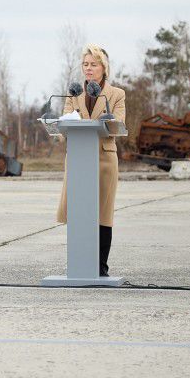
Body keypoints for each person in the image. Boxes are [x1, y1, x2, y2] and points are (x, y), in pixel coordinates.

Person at [56, 44, 126, 277]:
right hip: (78, 160)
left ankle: (100, 266)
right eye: (85, 64)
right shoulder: (74, 93)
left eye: (93, 65)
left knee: (103, 213)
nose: (88, 69)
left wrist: (106, 119)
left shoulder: (117, 94)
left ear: (103, 68)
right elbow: (66, 123)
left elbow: (117, 125)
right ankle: (78, 263)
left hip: (104, 160)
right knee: (77, 210)